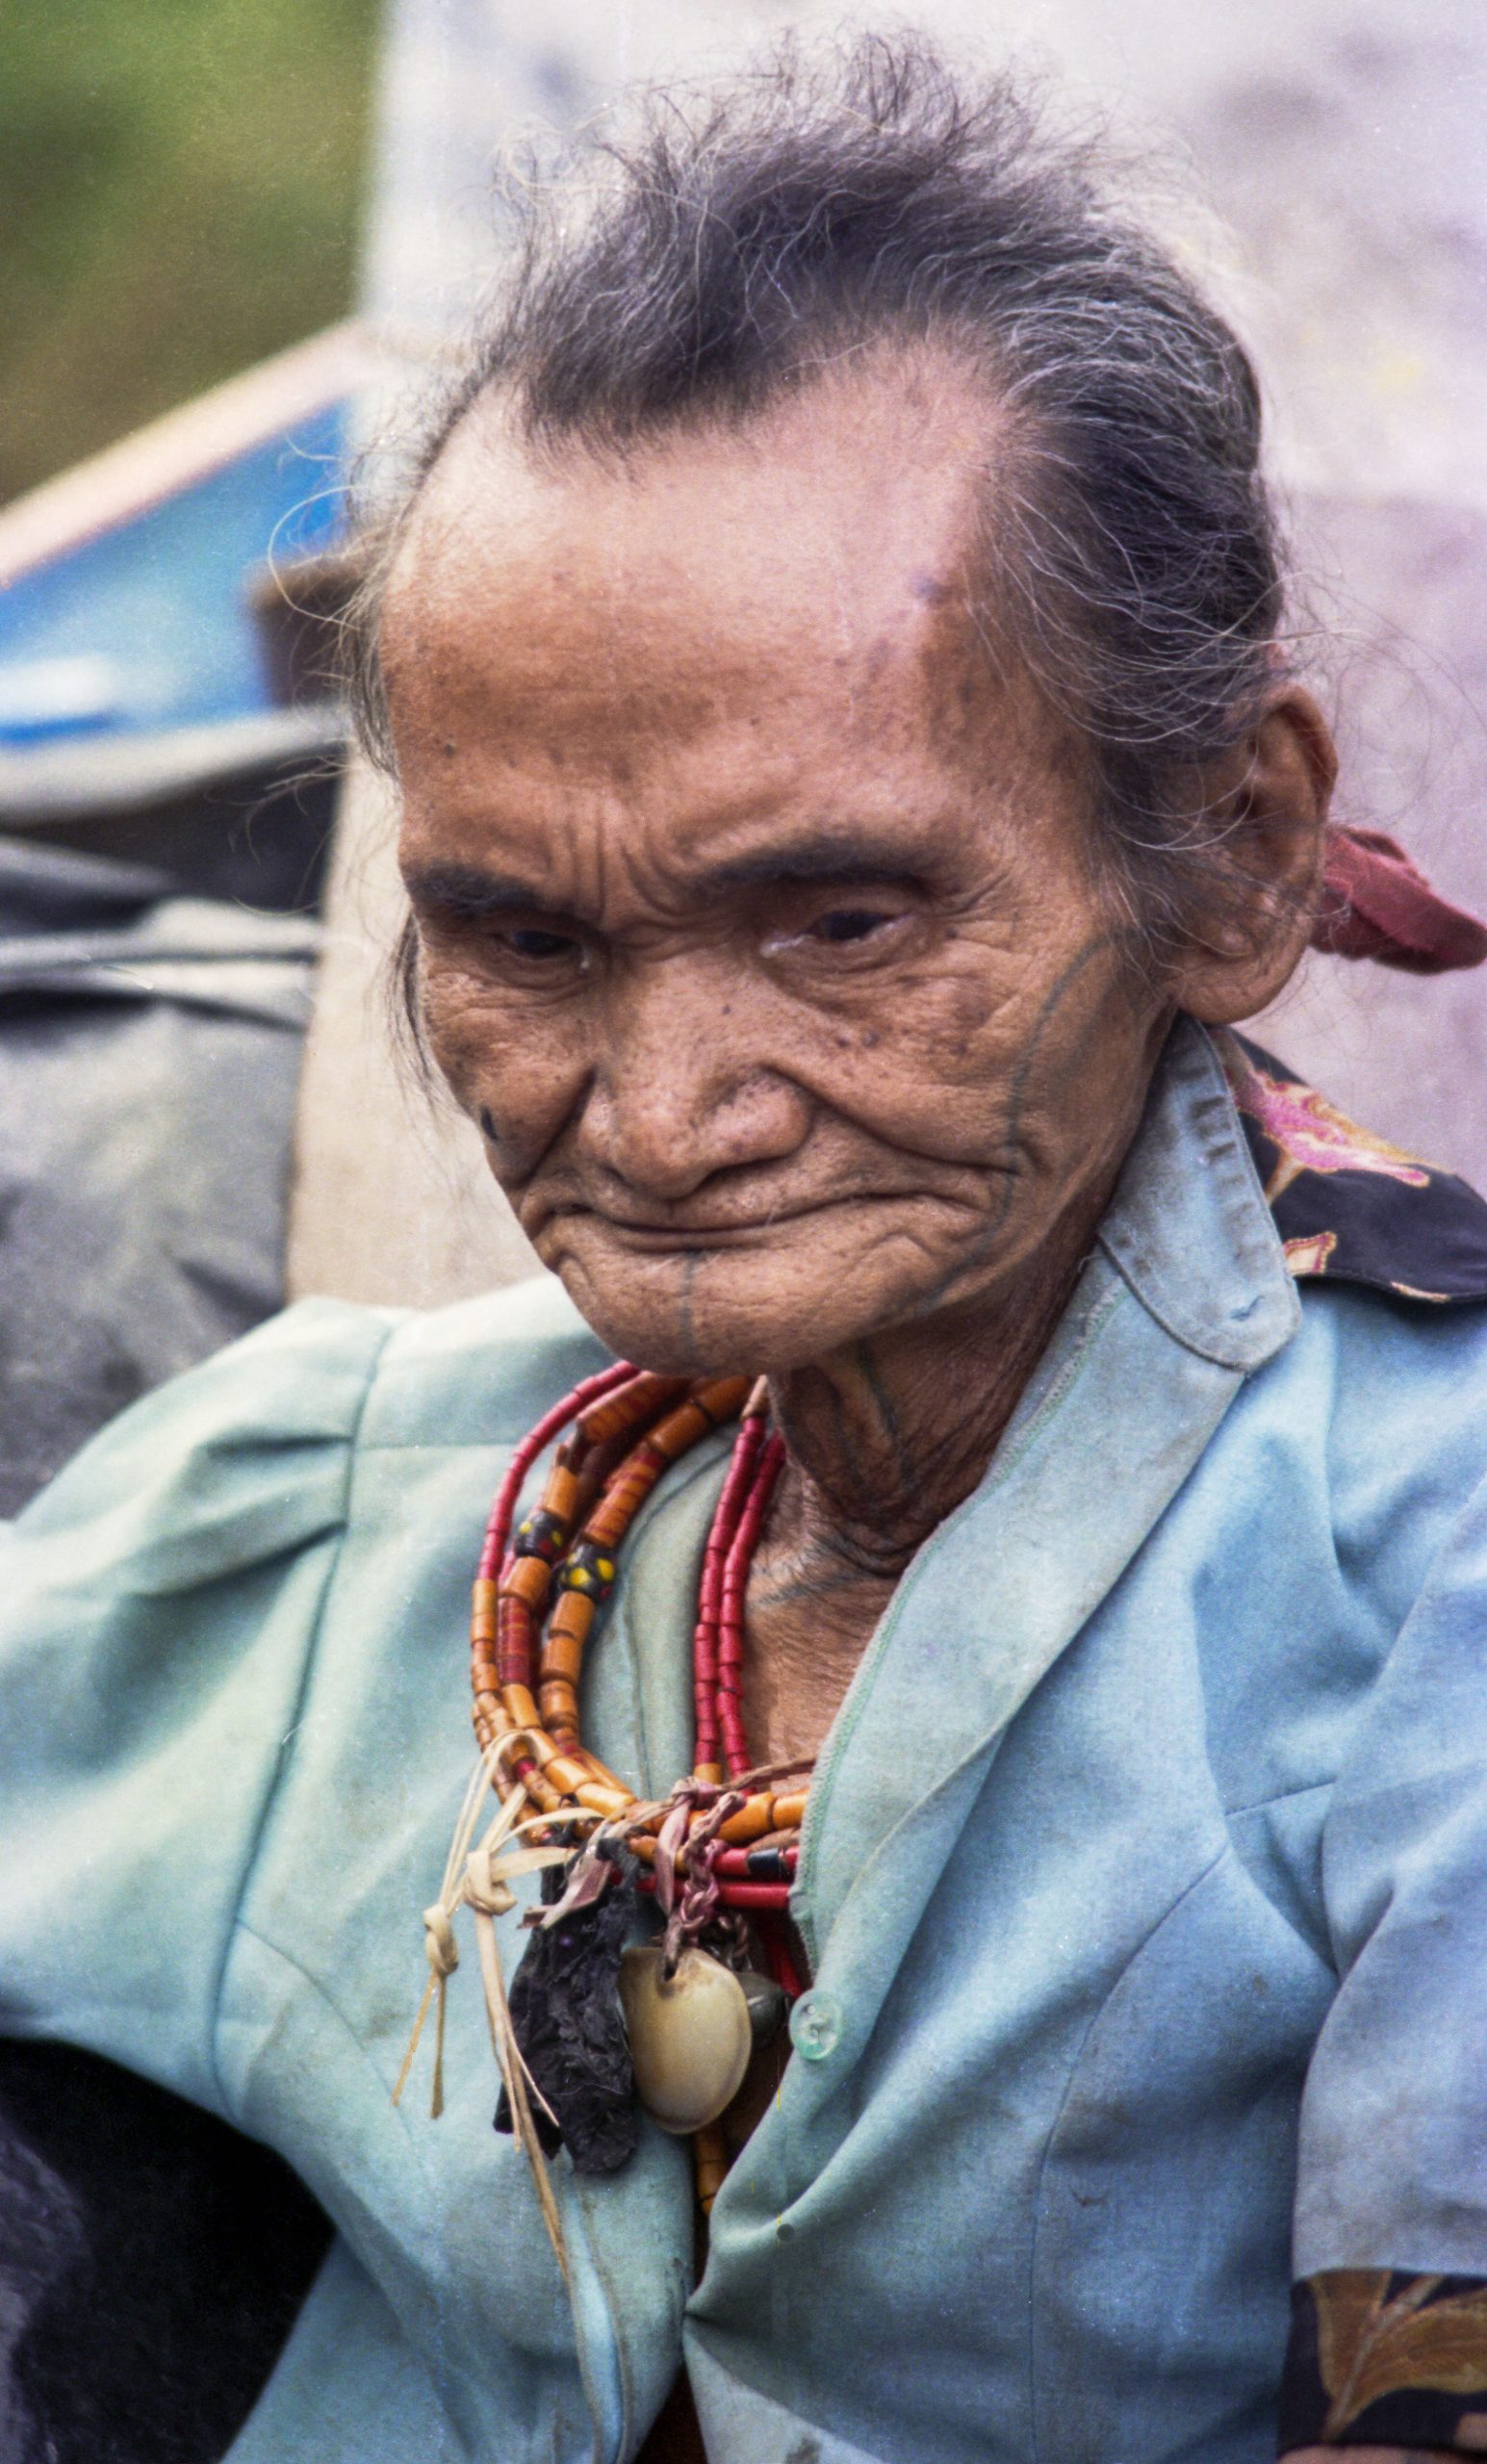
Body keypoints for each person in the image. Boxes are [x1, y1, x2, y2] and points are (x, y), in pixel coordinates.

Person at [6, 37, 1487, 2464]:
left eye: (840, 921)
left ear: (1230, 854)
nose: (664, 1113)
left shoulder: (1421, 1569)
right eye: (523, 938)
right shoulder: (354, 1495)